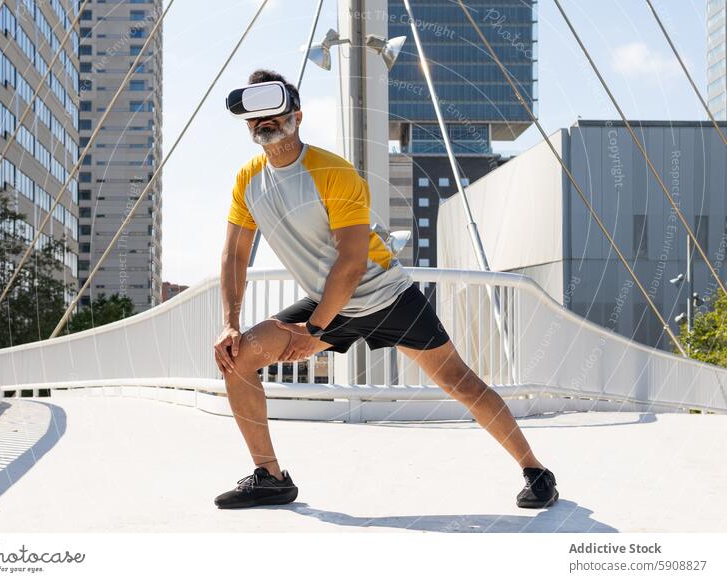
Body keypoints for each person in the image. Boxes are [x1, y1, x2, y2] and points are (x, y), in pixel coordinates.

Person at [213, 69, 559, 510]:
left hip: (387, 296)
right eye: (256, 119)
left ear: (297, 117)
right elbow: (234, 255)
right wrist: (229, 323)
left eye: (276, 114)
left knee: (460, 382)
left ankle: (536, 470)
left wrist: (316, 330)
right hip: (328, 302)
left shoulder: (332, 172)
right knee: (238, 356)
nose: (265, 124)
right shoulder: (248, 180)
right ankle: (270, 477)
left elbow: (352, 262)